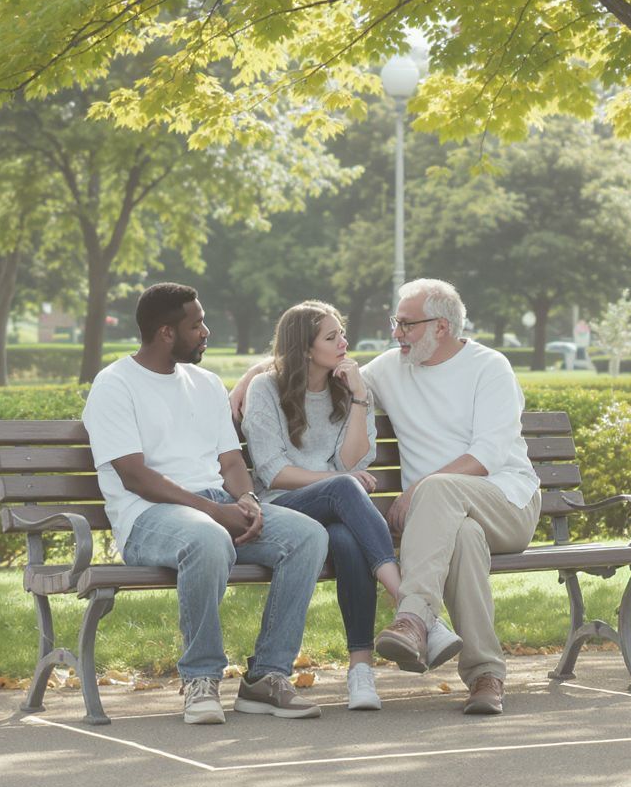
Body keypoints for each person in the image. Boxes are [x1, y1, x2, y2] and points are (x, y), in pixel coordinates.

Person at [232, 279, 541, 715]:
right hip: (445, 518)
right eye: (396, 322)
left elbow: (487, 456)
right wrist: (250, 375)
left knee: (441, 494)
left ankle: (413, 619)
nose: (397, 333)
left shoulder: (490, 368)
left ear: (442, 326)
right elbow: (311, 356)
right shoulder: (394, 367)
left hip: (505, 500)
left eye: (407, 324)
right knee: (465, 540)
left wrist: (418, 489)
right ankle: (485, 677)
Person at [82, 283, 329, 725]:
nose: (205, 331)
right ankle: (201, 678)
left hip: (215, 506)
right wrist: (215, 512)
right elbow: (135, 476)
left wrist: (246, 499)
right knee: (208, 539)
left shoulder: (206, 383)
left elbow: (231, 460)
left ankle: (267, 677)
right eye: (195, 325)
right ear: (165, 333)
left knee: (307, 536)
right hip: (147, 517)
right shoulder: (115, 385)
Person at [241, 301, 462, 711]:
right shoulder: (266, 388)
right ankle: (418, 612)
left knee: (346, 540)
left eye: (342, 332)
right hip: (282, 507)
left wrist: (359, 397)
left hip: (338, 511)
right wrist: (335, 483)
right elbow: (273, 472)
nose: (344, 342)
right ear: (305, 348)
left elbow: (354, 463)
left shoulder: (350, 387)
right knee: (343, 492)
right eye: (332, 337)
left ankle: (361, 672)